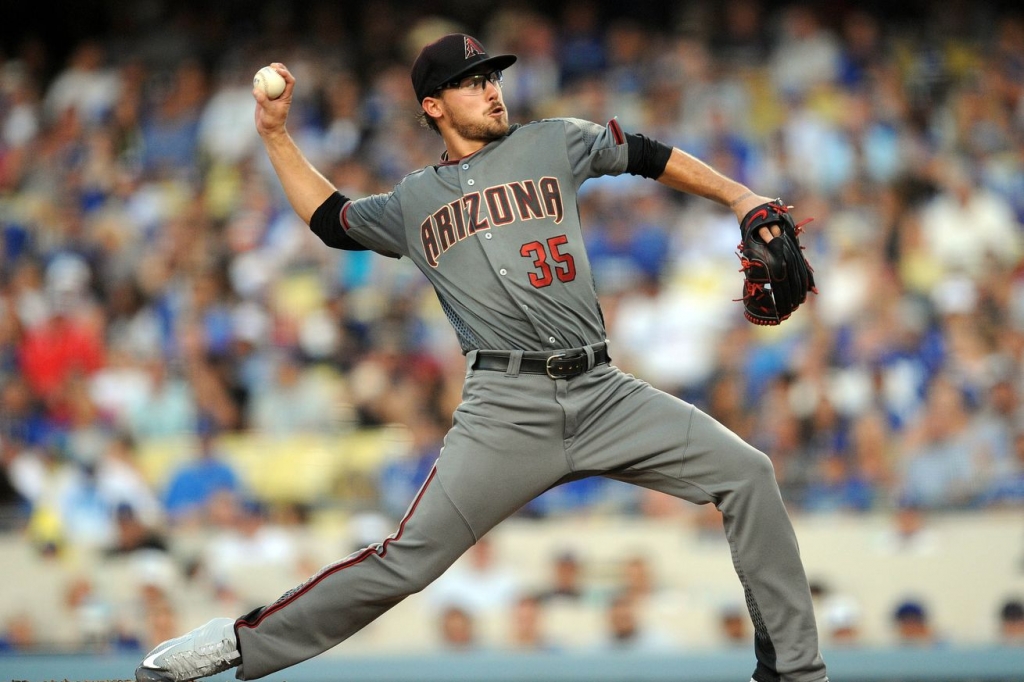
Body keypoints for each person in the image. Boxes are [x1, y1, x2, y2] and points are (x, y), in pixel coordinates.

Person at [135, 33, 829, 682]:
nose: (492, 90)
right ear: (433, 106)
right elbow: (332, 219)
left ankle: (795, 673)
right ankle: (235, 643)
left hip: (603, 390)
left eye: (491, 77)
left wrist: (740, 195)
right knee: (403, 562)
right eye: (471, 83)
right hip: (506, 410)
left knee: (747, 474)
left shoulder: (553, 141)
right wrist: (277, 137)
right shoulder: (414, 200)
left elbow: (648, 154)